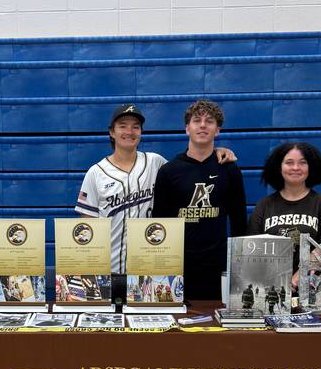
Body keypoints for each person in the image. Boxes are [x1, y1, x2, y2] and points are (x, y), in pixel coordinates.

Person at [75, 103, 236, 300]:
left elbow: (191, 170)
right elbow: (87, 228)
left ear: (141, 132)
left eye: (135, 126)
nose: (129, 131)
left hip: (147, 272)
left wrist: (216, 150)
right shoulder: (95, 173)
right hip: (106, 272)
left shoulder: (156, 163)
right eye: (123, 126)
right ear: (112, 132)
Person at [152, 99, 247, 300]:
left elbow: (239, 221)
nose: (203, 125)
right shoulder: (169, 171)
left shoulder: (229, 169)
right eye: (197, 120)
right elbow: (160, 223)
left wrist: (239, 265)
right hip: (179, 265)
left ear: (217, 130)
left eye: (209, 121)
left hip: (218, 265)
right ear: (187, 129)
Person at [246, 141, 321, 290]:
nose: (295, 168)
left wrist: (299, 275)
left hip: (310, 290)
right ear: (278, 168)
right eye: (289, 162)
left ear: (311, 167)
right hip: (269, 288)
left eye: (302, 163)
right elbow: (253, 247)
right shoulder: (264, 205)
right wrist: (273, 282)